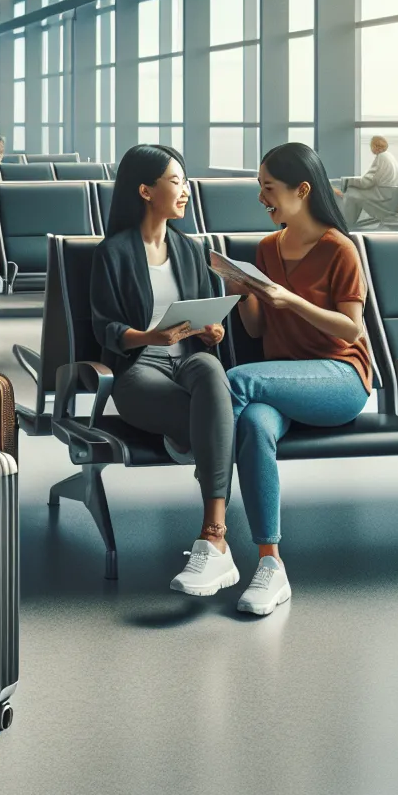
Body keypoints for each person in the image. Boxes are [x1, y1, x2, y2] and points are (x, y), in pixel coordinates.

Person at [226, 142, 375, 616]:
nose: (262, 198)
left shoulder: (340, 249)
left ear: (301, 190)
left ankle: (201, 480)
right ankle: (271, 565)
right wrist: (244, 293)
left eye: (268, 188)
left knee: (236, 382)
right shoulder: (268, 248)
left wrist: (291, 301)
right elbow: (256, 329)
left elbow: (352, 328)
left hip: (337, 379)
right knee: (252, 425)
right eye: (260, 188)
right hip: (283, 380)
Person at [86, 145, 235, 598]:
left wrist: (213, 332)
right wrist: (147, 337)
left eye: (186, 181)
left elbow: (209, 317)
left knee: (211, 371)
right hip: (140, 365)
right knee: (217, 415)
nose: (186, 190)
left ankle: (214, 535)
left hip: (188, 356)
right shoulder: (112, 253)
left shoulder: (192, 251)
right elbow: (104, 328)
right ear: (146, 191)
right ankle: (201, 440)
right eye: (177, 181)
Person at [336, 134, 398, 225]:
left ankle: (346, 224)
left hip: (384, 196)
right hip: (391, 194)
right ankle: (349, 223)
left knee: (351, 193)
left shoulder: (381, 157)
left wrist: (349, 182)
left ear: (375, 146)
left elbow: (366, 182)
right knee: (355, 193)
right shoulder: (389, 156)